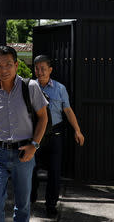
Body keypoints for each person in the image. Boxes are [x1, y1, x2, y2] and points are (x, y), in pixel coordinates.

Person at [0, 46, 48, 222]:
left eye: (8, 64)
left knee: (23, 205)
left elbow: (43, 118)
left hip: (24, 153)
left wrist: (34, 146)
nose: (4, 70)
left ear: (16, 65)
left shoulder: (30, 87)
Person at [31, 55, 85, 217]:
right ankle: (31, 194)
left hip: (55, 135)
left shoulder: (60, 88)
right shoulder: (30, 87)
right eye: (37, 69)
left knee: (54, 172)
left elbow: (67, 110)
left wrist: (77, 130)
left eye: (43, 69)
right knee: (30, 168)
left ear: (50, 70)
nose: (40, 72)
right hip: (35, 136)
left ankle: (51, 205)